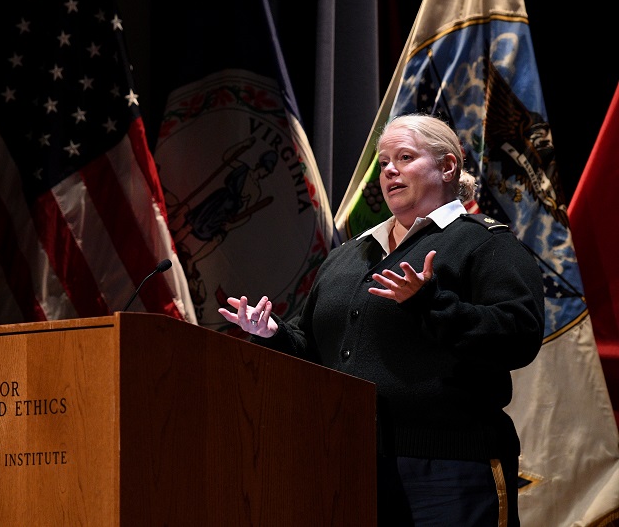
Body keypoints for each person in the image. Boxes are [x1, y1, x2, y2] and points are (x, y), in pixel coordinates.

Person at [218, 113, 545, 526]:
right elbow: (315, 350)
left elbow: (519, 335)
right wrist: (271, 334)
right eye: (384, 161)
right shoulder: (348, 256)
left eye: (405, 157)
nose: (389, 170)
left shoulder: (485, 244)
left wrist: (431, 305)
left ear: (448, 166)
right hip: (348, 465)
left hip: (450, 469)